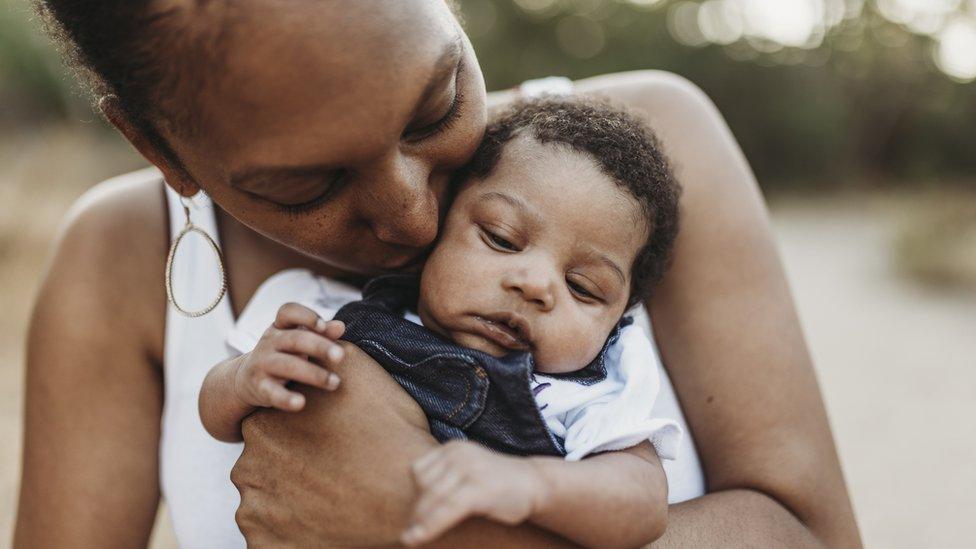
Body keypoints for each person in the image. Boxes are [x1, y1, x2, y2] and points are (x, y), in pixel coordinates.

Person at [15, 1, 861, 548]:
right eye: (311, 185)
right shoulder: (117, 261)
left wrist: (424, 524)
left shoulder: (641, 163)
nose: (416, 217)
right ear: (160, 149)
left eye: (439, 104)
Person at [198, 98, 683, 547]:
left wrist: (536, 486)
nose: (537, 285)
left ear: (620, 318)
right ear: (440, 226)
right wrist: (244, 379)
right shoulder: (333, 317)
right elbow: (219, 415)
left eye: (584, 287)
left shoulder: (581, 397)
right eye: (501, 238)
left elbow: (642, 501)